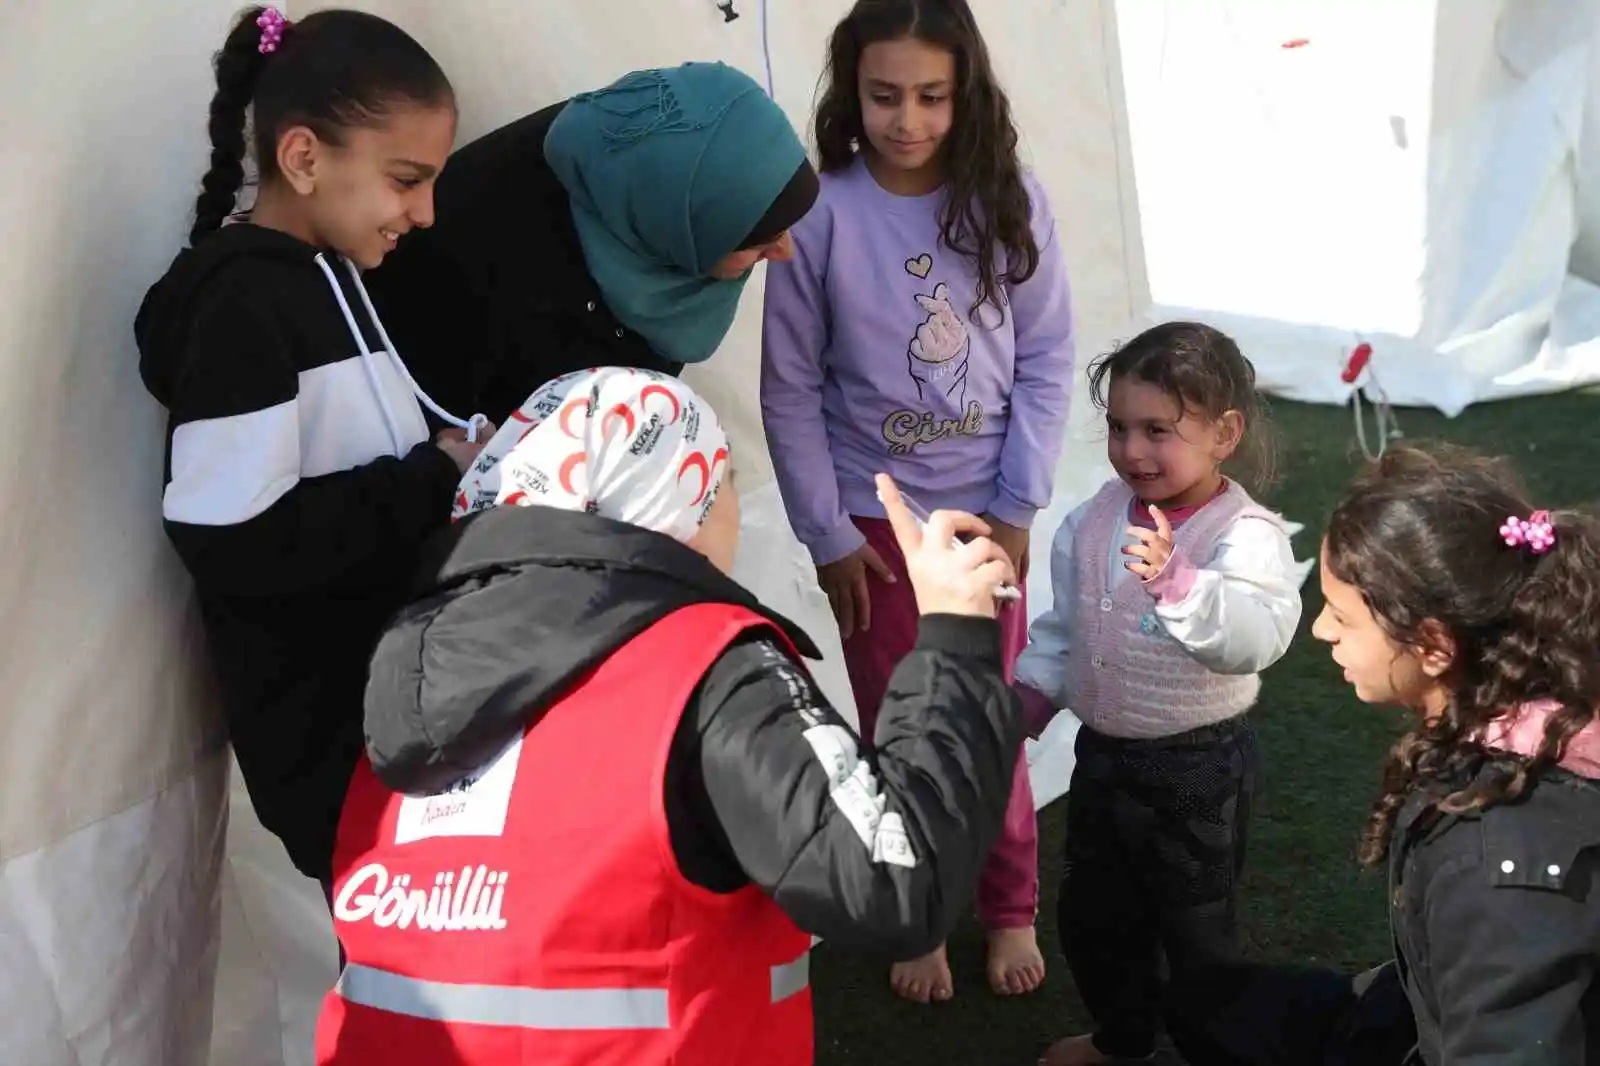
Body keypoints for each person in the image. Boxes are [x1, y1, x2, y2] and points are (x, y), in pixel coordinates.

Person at [311, 368, 1027, 1066]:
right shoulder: (705, 662)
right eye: (726, 482)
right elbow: (895, 884)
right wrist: (953, 638)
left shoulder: (405, 668)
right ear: (675, 498)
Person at [760, 0, 1075, 1002]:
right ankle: (919, 908)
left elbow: (1047, 358)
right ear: (851, 92)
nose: (907, 118)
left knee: (988, 714)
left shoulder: (1008, 198)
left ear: (964, 92)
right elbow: (789, 384)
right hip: (874, 526)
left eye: (931, 96)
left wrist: (1021, 505)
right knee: (901, 723)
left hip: (986, 516)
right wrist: (824, 532)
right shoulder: (819, 210)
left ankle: (1009, 901)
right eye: (884, 94)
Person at [134, 7, 492, 888]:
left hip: (396, 716)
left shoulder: (326, 274)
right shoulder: (243, 309)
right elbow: (236, 539)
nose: (428, 211)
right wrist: (426, 478)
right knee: (405, 989)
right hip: (341, 750)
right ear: (302, 158)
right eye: (407, 179)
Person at [1165, 442, 1600, 1066]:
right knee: (1205, 1003)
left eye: (1342, 616)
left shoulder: (1501, 868)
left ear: (1432, 645)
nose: (1321, 630)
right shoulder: (1536, 707)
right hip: (1416, 1012)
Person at [1014, 322, 1303, 1066]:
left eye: (1158, 430)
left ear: (1225, 433)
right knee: (1094, 919)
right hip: (1106, 759)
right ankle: (1124, 1039)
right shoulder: (1091, 521)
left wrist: (1179, 585)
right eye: (1118, 427)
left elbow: (1255, 637)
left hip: (1200, 766)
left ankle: (1211, 1051)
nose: (1132, 450)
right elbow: (1065, 628)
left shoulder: (1247, 536)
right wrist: (1029, 701)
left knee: (1196, 934)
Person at [363, 61, 819, 425]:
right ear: (677, 219)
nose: (785, 253)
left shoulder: (659, 216)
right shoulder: (484, 256)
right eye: (762, 239)